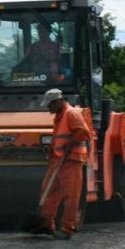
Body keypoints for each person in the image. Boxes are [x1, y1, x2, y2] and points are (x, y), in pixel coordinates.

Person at [31, 88, 93, 240]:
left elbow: (84, 133)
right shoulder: (59, 116)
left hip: (71, 160)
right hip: (58, 160)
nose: (48, 108)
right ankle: (46, 224)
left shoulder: (72, 114)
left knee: (70, 196)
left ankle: (67, 228)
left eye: (50, 105)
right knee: (48, 191)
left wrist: (70, 143)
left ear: (58, 102)